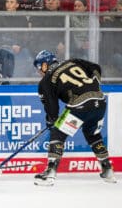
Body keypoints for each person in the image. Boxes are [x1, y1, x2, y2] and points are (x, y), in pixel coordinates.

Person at [32, 50, 117, 186]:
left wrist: (51, 121)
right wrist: (94, 85)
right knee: (92, 133)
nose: (39, 73)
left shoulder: (46, 80)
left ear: (44, 65)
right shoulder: (73, 61)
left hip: (80, 103)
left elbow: (52, 109)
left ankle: (49, 173)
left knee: (58, 133)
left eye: (39, 69)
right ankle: (108, 170)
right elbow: (96, 67)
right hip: (100, 100)